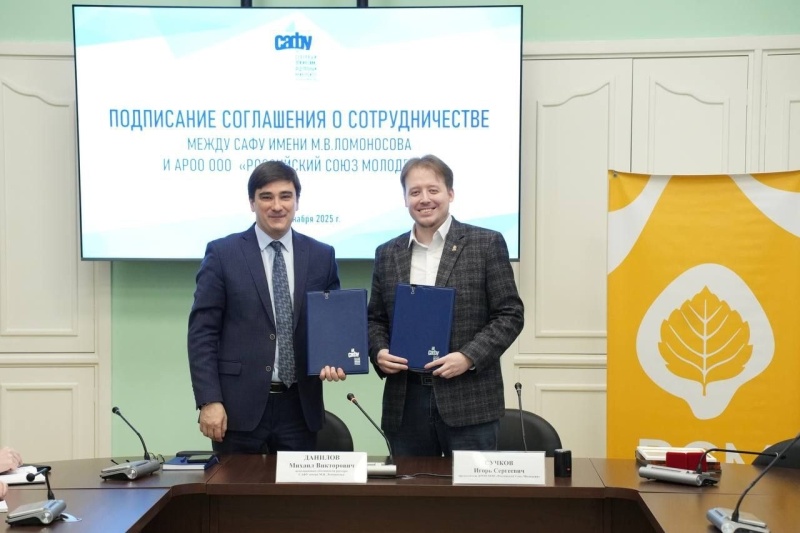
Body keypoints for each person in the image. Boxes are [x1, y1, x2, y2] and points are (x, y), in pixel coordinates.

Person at [368, 154, 524, 456]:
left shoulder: (485, 243)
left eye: (433, 190)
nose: (424, 199)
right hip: (406, 402)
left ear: (450, 193)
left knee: (472, 488)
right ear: (405, 199)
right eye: (415, 192)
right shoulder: (387, 253)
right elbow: (375, 319)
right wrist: (379, 351)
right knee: (410, 487)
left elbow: (510, 314)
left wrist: (468, 357)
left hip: (469, 401)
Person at [188, 160, 344, 454]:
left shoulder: (321, 256)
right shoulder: (223, 254)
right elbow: (202, 333)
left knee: (296, 487)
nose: (277, 206)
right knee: (235, 486)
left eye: (285, 196)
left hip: (300, 408)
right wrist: (209, 400)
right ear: (252, 202)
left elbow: (331, 324)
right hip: (237, 408)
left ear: (297, 201)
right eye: (266, 197)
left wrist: (336, 358)